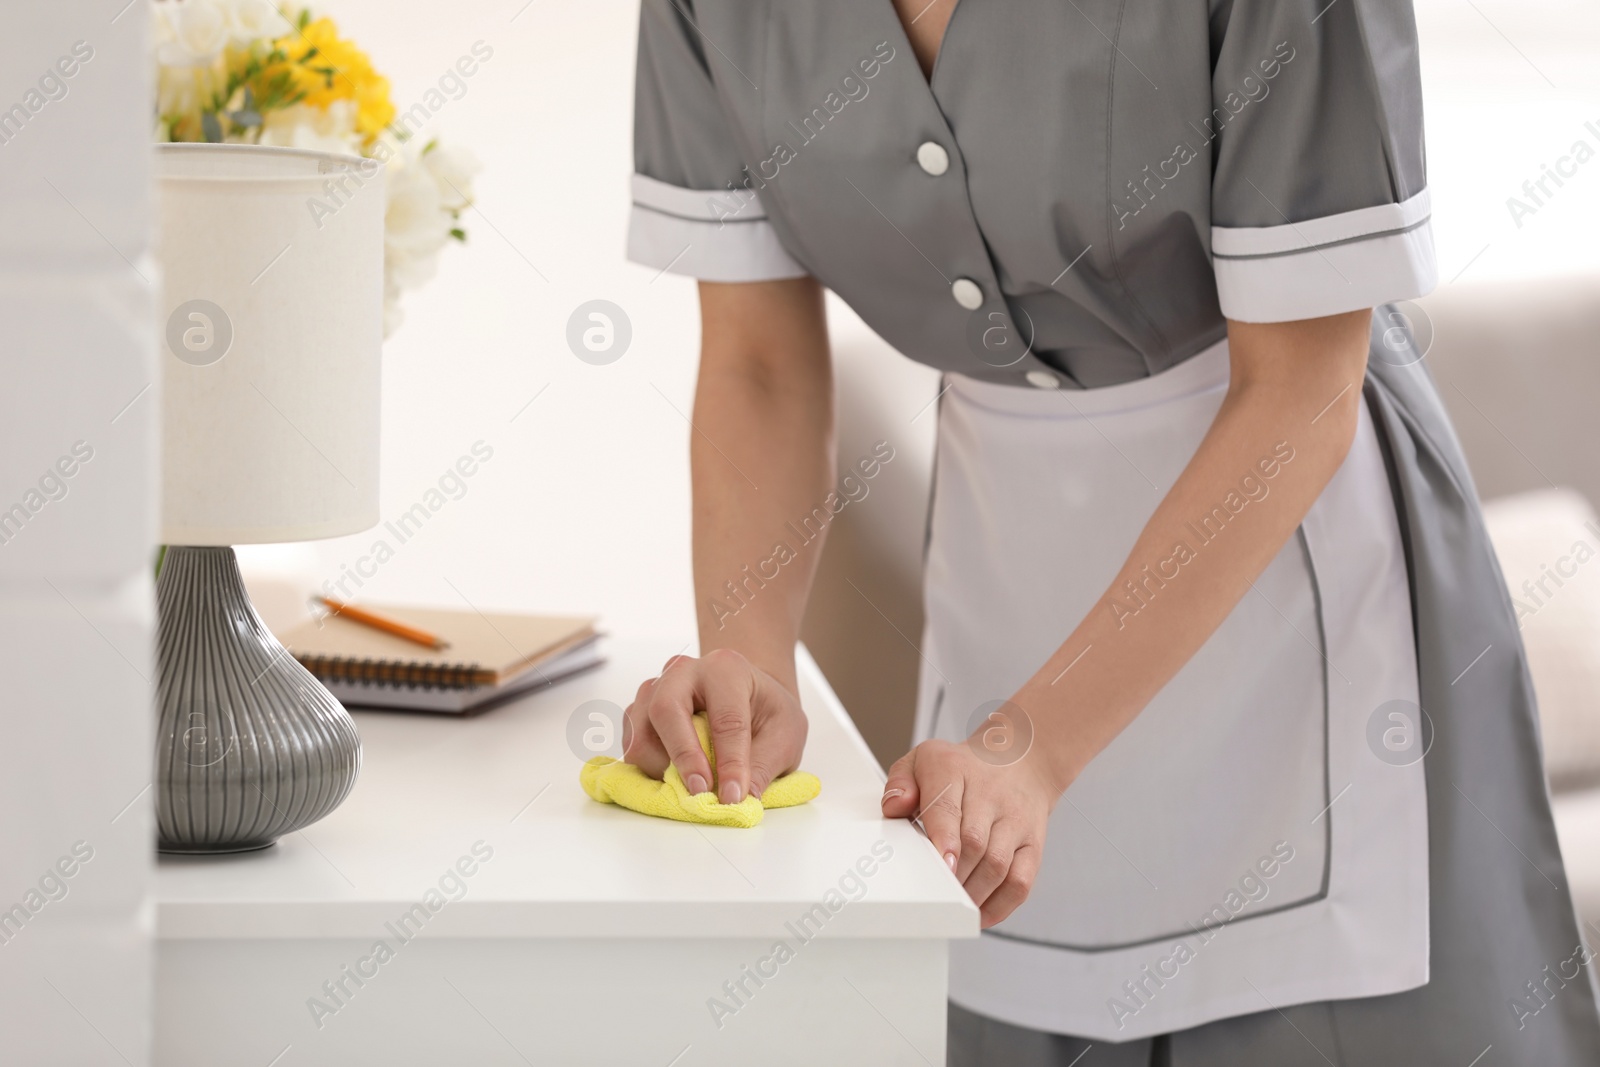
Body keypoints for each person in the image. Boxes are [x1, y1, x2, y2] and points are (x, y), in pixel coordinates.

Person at [618, 0, 1600, 1062]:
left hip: (1299, 581)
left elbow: (1302, 388)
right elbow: (758, 359)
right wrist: (750, 659)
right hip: (1001, 588)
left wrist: (1032, 746)